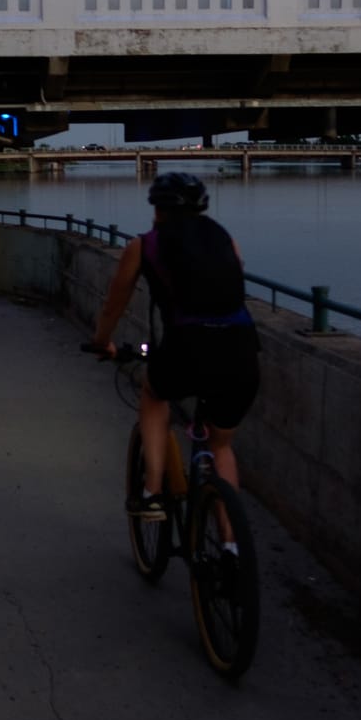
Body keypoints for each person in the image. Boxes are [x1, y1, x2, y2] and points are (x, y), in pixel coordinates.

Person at [90, 172, 258, 524]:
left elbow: (113, 305)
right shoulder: (227, 240)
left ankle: (152, 493)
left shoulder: (144, 245)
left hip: (188, 349)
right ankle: (230, 548)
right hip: (241, 351)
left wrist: (101, 342)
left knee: (154, 394)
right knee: (221, 445)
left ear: (157, 209)